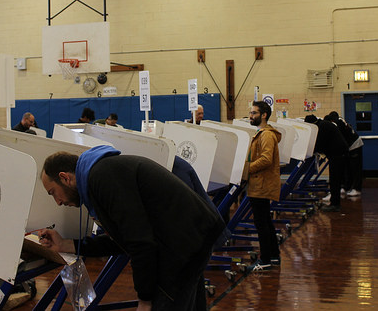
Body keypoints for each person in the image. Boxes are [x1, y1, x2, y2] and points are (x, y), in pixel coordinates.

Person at [39, 146, 225, 311]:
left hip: (185, 243)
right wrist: (66, 244)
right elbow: (122, 240)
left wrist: (145, 299)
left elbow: (140, 243)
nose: (58, 202)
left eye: (52, 193)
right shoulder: (99, 176)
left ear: (65, 178)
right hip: (190, 238)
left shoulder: (103, 177)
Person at [245, 101, 282, 271]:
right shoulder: (262, 133)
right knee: (266, 221)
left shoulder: (266, 135)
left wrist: (246, 169)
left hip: (261, 184)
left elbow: (266, 159)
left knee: (262, 224)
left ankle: (265, 259)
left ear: (264, 115)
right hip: (260, 183)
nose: (250, 116)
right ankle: (273, 256)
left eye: (254, 113)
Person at [304, 114, 349, 212]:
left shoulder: (322, 127)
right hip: (339, 153)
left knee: (335, 180)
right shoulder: (323, 124)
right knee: (335, 179)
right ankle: (334, 202)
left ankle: (335, 204)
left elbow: (319, 144)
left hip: (338, 154)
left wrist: (308, 152)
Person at [325, 111, 364, 197]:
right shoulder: (340, 121)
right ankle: (346, 187)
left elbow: (339, 139)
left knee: (355, 169)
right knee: (347, 168)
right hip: (349, 146)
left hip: (355, 145)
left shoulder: (339, 124)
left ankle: (357, 189)